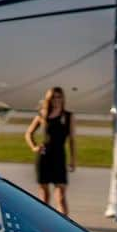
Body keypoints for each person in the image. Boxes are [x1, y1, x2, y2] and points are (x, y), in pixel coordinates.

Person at [24, 86, 76, 214]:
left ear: (63, 98)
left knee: (61, 194)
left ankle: (65, 226)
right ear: (49, 99)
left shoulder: (68, 116)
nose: (56, 100)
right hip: (44, 155)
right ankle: (45, 223)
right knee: (44, 194)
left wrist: (73, 160)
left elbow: (72, 140)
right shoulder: (43, 114)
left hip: (59, 156)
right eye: (53, 97)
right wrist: (34, 147)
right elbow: (28, 133)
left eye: (59, 97)